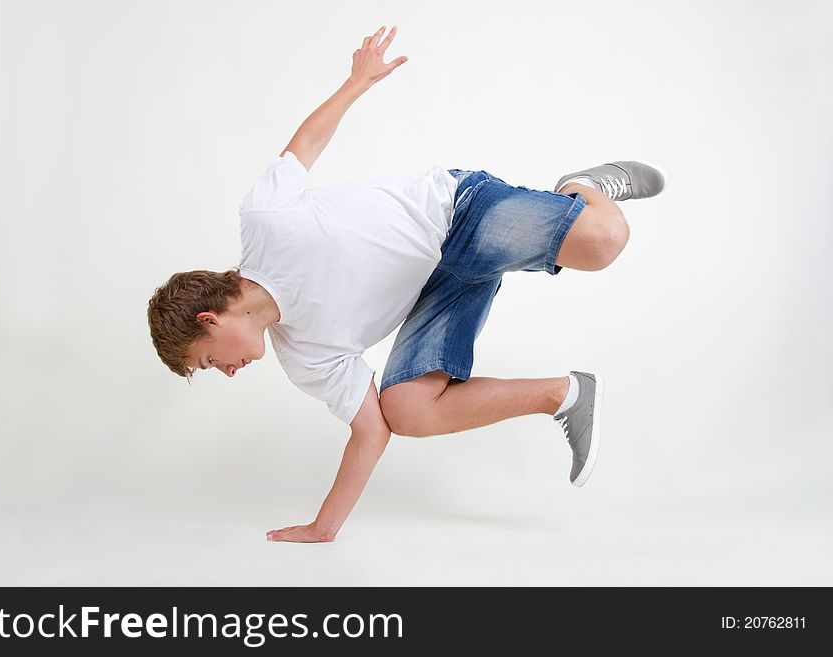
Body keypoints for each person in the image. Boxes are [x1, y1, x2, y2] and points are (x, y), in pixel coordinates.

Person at [146, 25, 666, 543]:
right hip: (438, 292)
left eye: (210, 360)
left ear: (209, 319)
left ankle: (583, 187)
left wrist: (359, 81)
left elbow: (304, 143)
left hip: (456, 212)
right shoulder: (305, 357)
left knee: (604, 242)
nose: (227, 372)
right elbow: (371, 431)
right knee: (406, 411)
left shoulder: (265, 220)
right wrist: (323, 529)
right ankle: (565, 394)